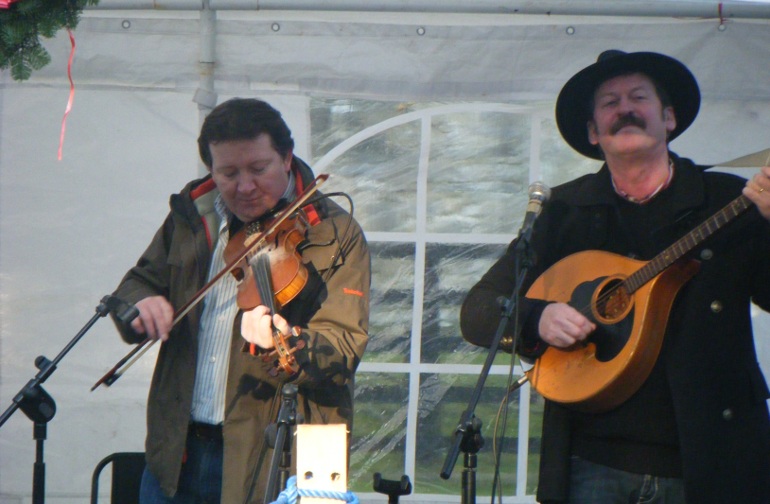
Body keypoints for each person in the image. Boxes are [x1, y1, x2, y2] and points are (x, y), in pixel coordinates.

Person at [460, 50, 770, 503]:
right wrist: (538, 318)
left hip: (712, 458)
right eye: (609, 102)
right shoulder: (564, 212)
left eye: (638, 97)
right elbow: (478, 311)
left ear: (668, 118)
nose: (625, 109)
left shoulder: (730, 200)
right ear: (593, 132)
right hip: (592, 460)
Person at [109, 98, 370, 503]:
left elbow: (344, 343)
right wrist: (140, 303)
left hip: (269, 457)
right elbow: (139, 281)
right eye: (228, 173)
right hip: (177, 450)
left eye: (258, 169)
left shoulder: (334, 232)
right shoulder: (194, 214)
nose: (244, 187)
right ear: (211, 169)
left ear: (286, 158)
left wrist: (284, 342)